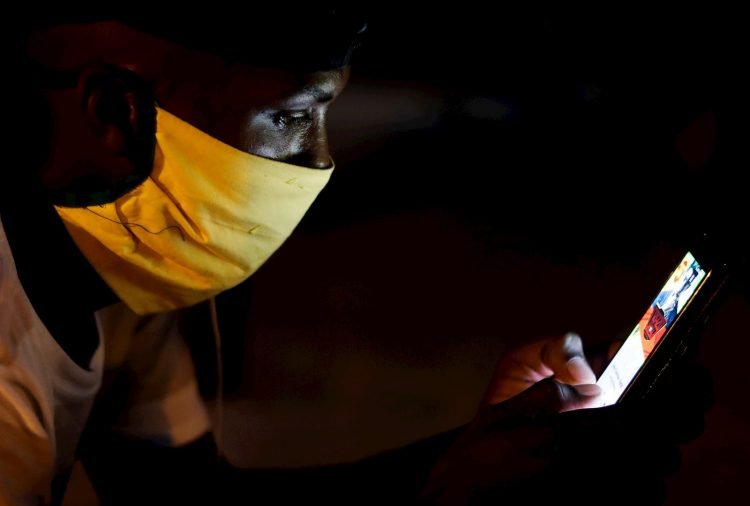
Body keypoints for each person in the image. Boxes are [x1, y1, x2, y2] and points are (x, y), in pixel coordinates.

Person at [0, 9, 709, 506]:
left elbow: (190, 497)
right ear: (115, 112)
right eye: (291, 118)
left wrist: (485, 453)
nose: (320, 160)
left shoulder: (123, 268)